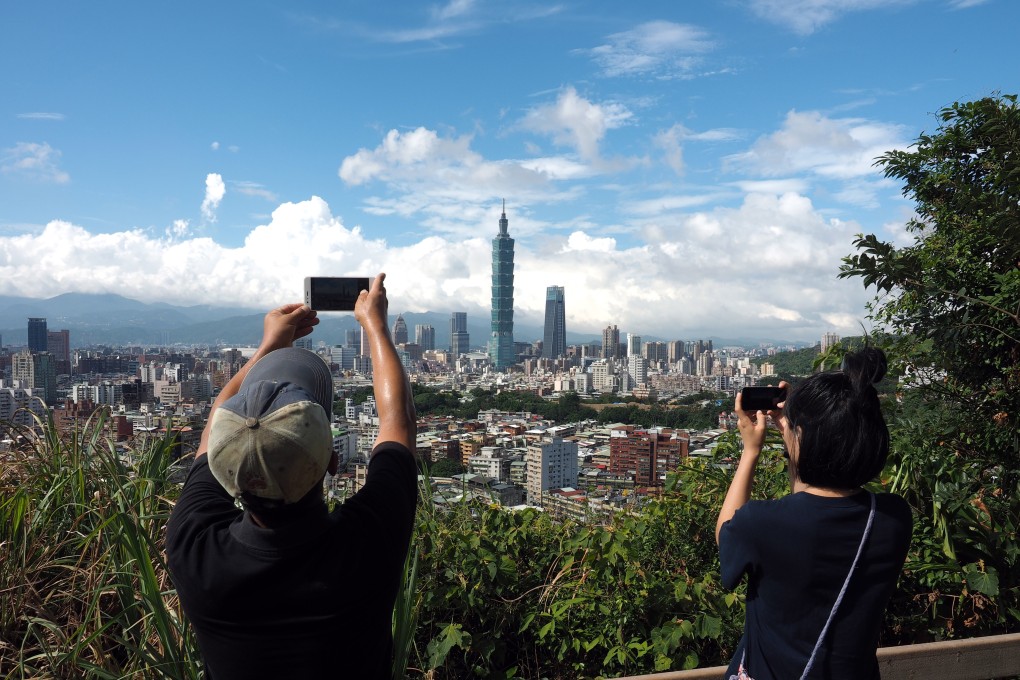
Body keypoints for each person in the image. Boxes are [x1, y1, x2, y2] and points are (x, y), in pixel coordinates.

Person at [166, 273, 417, 680]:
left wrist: (267, 348)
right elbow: (399, 418)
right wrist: (375, 324)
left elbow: (219, 418)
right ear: (333, 463)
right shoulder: (367, 545)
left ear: (225, 471)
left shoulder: (194, 551)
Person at [715, 348, 912, 680]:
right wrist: (797, 430)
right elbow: (814, 505)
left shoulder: (761, 524)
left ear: (802, 437)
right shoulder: (893, 518)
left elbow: (726, 535)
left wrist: (751, 451)